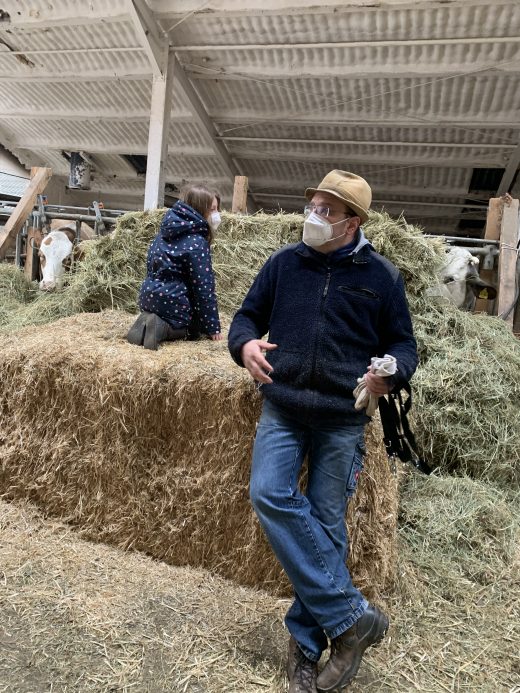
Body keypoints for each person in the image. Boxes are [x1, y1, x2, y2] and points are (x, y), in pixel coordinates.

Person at [228, 170, 418, 693]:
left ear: (351, 222)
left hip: (342, 415)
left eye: (326, 211)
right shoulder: (283, 265)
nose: (313, 216)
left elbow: (404, 346)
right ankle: (353, 619)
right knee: (268, 492)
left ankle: (307, 647)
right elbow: (245, 318)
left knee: (327, 523)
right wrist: (243, 346)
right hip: (284, 407)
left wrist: (390, 374)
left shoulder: (381, 277)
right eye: (312, 205)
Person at [127, 184, 223, 350]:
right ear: (200, 209)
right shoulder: (197, 241)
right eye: (213, 209)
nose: (216, 215)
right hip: (173, 302)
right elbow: (203, 287)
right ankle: (163, 328)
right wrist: (212, 327)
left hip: (148, 297)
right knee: (193, 330)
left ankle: (147, 319)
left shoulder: (163, 234)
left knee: (166, 309)